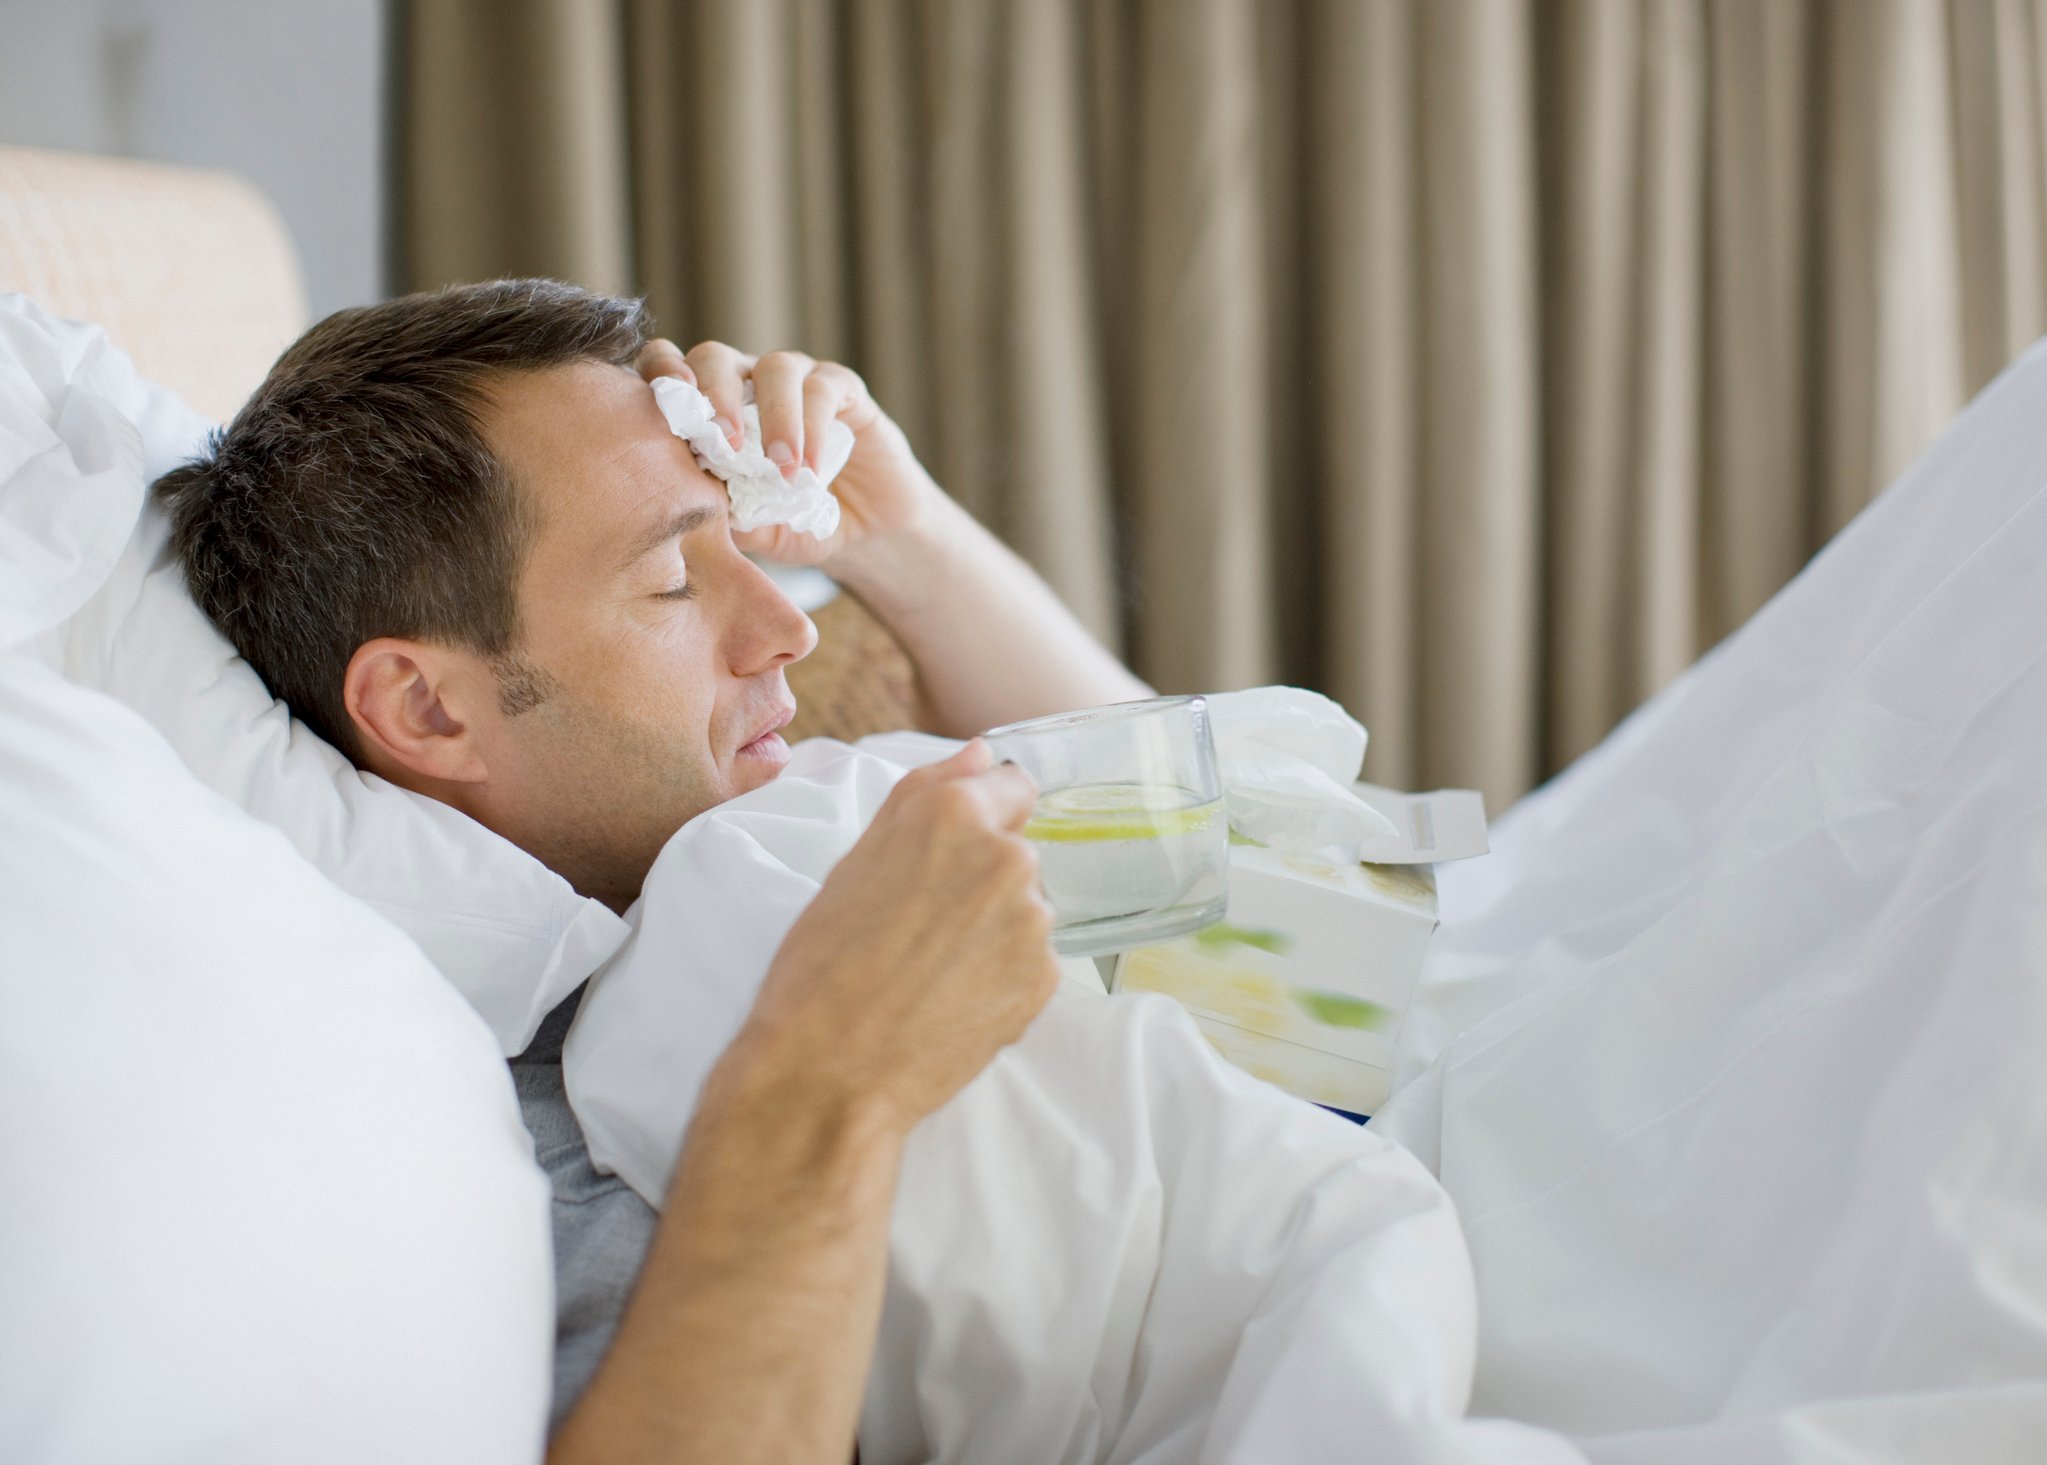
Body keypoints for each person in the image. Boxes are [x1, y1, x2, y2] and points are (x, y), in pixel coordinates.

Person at [150, 278, 1151, 1458]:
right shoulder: (514, 1147)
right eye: (675, 580)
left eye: (738, 541)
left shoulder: (770, 821)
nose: (791, 627)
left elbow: (1220, 821)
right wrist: (841, 1083)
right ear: (426, 706)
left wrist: (904, 543)